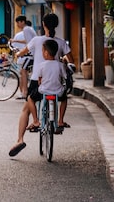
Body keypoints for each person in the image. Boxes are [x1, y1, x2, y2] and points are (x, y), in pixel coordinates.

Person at [9, 12, 73, 157]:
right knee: (61, 97)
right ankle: (59, 121)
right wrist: (63, 60)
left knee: (27, 107)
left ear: (43, 25)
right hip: (55, 81)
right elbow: (70, 59)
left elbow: (24, 51)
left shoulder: (37, 41)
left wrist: (17, 54)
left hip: (38, 81)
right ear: (56, 25)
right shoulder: (61, 42)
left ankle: (21, 138)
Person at [10, 15, 36, 99]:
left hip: (32, 55)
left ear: (22, 22)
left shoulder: (26, 29)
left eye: (18, 22)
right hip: (31, 53)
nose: (17, 24)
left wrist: (22, 52)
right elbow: (28, 41)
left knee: (23, 71)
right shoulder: (28, 29)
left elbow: (29, 44)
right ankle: (25, 91)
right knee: (23, 71)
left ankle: (25, 92)